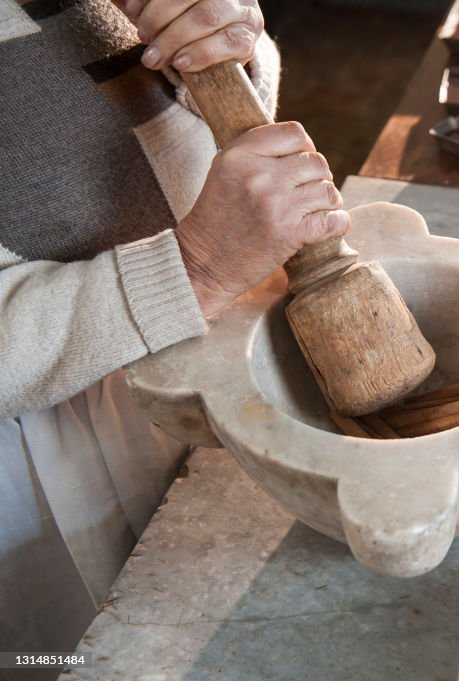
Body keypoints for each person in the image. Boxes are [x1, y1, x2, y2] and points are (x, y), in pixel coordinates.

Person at [0, 0, 348, 670]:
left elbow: (175, 114)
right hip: (42, 448)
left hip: (200, 335)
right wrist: (196, 267)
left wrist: (229, 48)